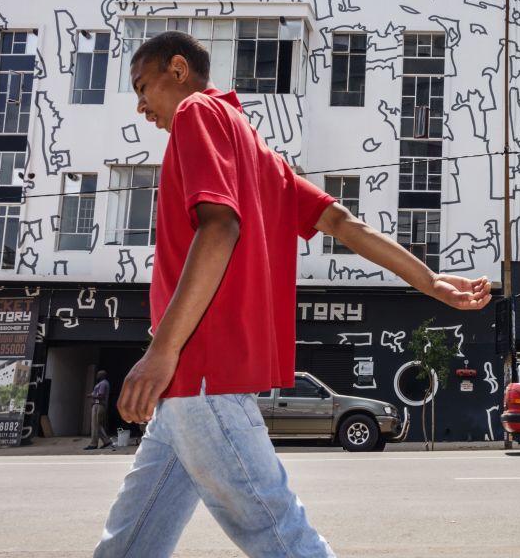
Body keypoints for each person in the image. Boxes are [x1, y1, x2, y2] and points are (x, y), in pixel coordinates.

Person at [93, 31, 491, 558]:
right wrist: (430, 281)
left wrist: (161, 351)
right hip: (193, 392)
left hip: (201, 374)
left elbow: (219, 229)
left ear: (179, 69)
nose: (142, 106)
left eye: (143, 87)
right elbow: (342, 222)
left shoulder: (196, 113)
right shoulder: (258, 150)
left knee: (281, 538)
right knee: (130, 542)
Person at [84, 370, 114, 450]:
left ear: (102, 376)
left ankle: (93, 444)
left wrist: (91, 395)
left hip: (99, 405)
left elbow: (101, 395)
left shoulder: (103, 383)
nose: (97, 375)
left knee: (95, 425)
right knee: (97, 425)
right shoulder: (102, 383)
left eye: (98, 374)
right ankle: (106, 441)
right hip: (98, 405)